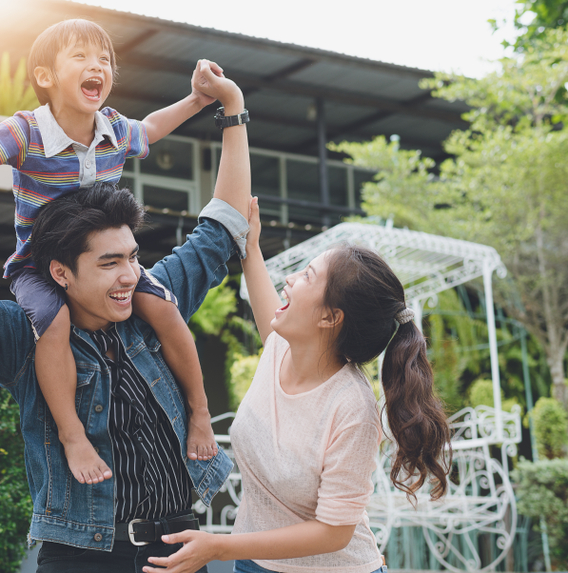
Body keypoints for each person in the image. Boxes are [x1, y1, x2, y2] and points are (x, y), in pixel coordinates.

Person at [0, 61, 251, 572]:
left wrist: (233, 110)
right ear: (61, 273)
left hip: (180, 551)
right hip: (84, 558)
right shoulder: (24, 339)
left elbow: (222, 229)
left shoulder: (151, 306)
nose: (129, 275)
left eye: (131, 257)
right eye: (109, 264)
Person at [142, 198, 453, 573]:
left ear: (330, 317)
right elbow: (265, 300)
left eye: (307, 276)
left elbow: (334, 533)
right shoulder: (281, 349)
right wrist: (249, 246)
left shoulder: (351, 407)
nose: (290, 279)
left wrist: (221, 548)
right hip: (254, 564)